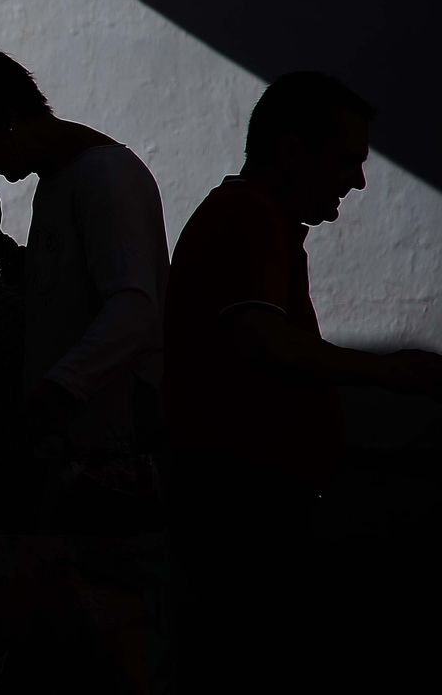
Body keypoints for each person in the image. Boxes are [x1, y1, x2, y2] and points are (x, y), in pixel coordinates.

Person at [162, 71, 442, 689]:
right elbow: (260, 340)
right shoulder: (247, 218)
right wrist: (390, 372)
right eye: (347, 159)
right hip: (243, 511)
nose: (359, 179)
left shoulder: (257, 220)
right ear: (292, 150)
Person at [0, 47, 170, 693]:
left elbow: (135, 308)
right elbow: (65, 296)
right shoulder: (61, 183)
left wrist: (57, 392)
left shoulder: (105, 176)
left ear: (5, 115)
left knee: (117, 632)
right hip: (77, 451)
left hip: (114, 450)